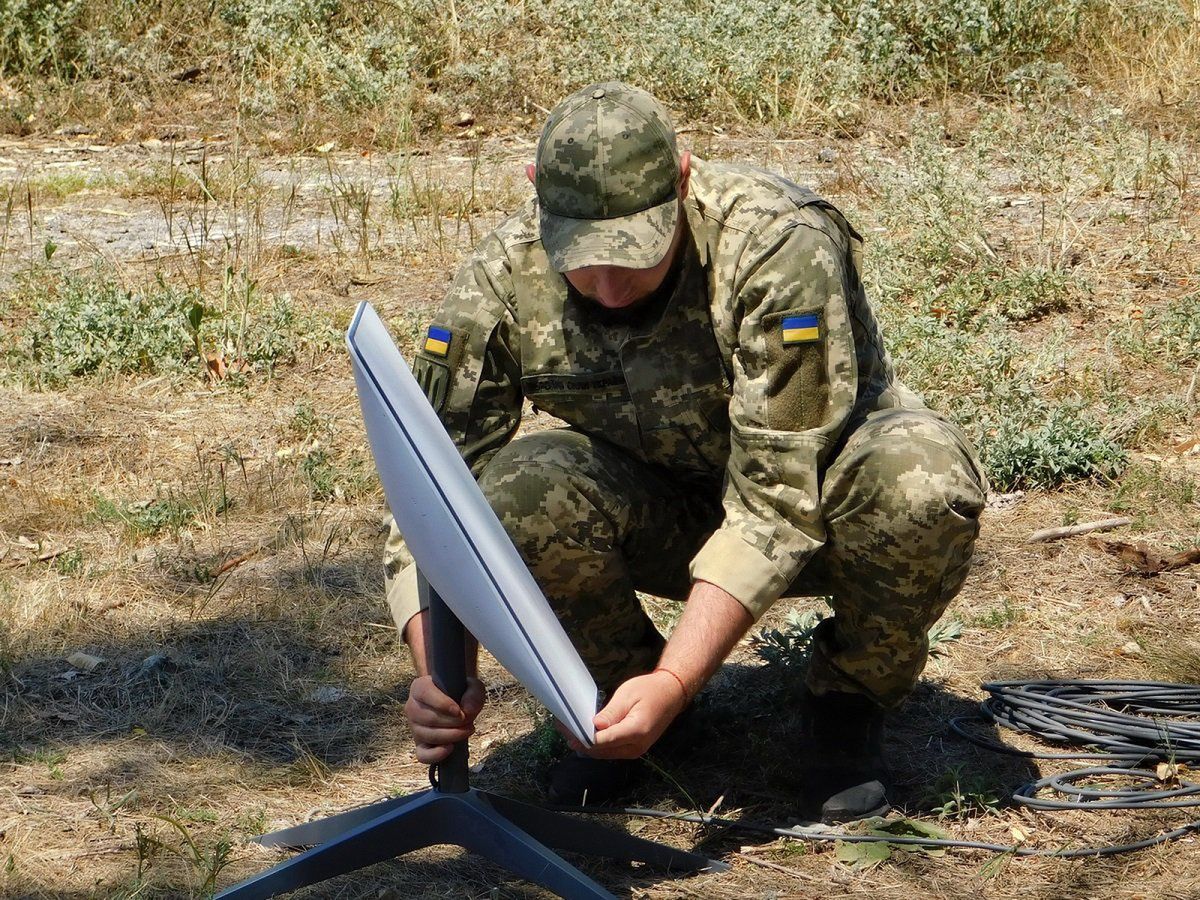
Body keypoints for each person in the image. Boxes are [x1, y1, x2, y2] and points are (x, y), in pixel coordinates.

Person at [383, 82, 987, 823]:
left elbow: (776, 497)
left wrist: (680, 678)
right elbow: (431, 488)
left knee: (919, 483)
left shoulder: (775, 245)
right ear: (537, 193)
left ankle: (846, 703)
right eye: (581, 257)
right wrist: (439, 668)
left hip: (824, 508)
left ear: (682, 177)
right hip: (663, 513)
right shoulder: (500, 276)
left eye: (632, 254)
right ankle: (616, 698)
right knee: (516, 492)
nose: (606, 287)